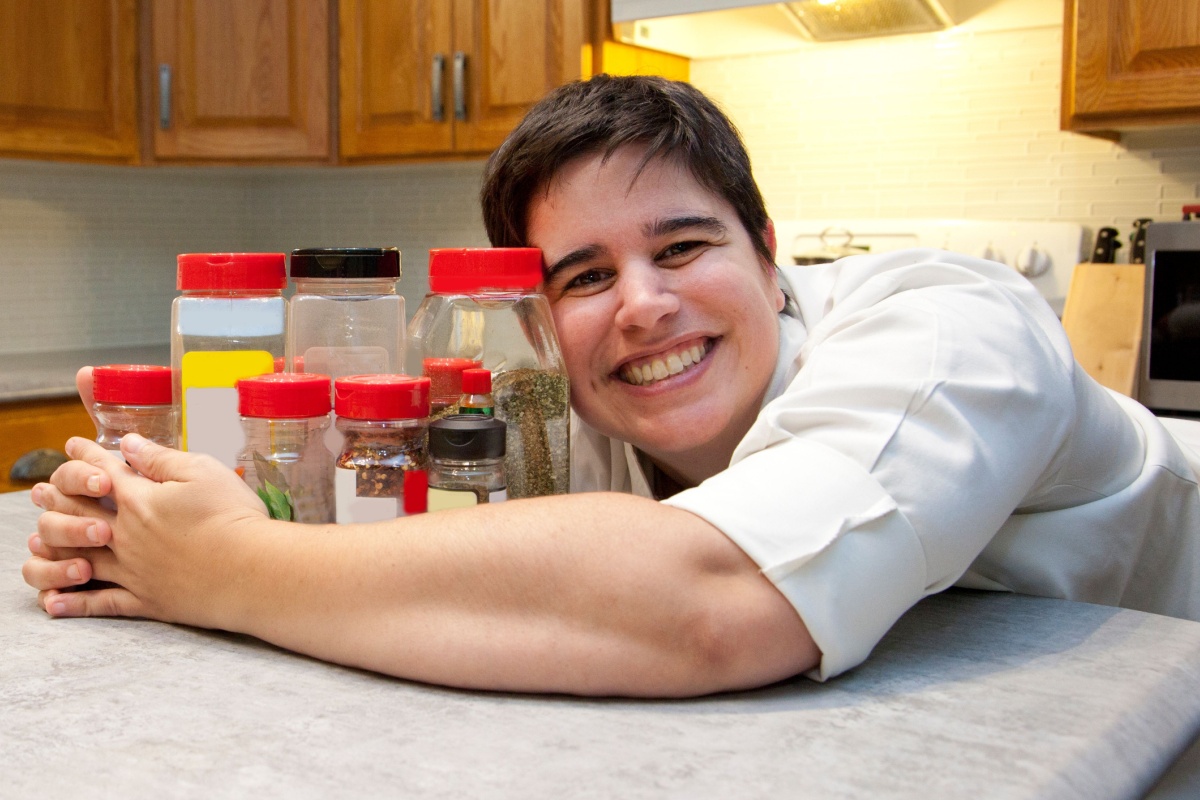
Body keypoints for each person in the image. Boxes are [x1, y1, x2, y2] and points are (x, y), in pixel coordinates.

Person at [21, 75, 1200, 696]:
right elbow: (414, 548)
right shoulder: (560, 411)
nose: (641, 304)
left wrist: (226, 565)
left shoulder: (947, 324)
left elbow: (714, 601)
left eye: (682, 246)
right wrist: (146, 501)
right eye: (585, 275)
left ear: (769, 251)